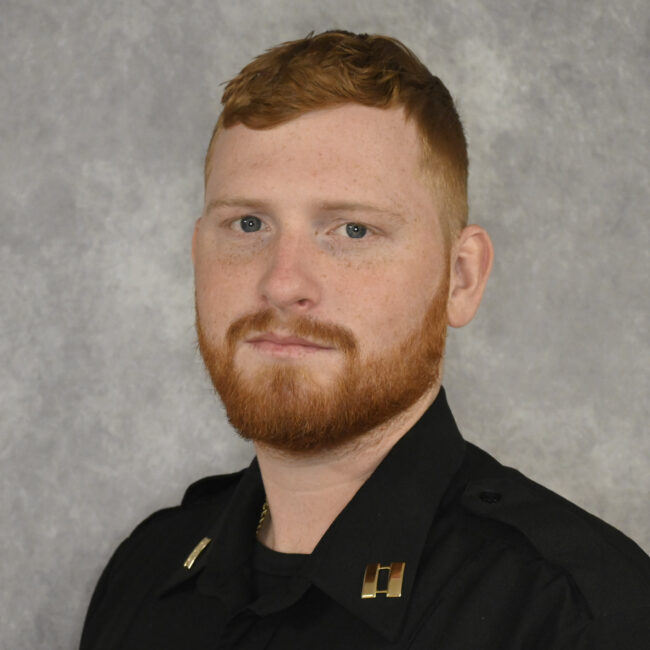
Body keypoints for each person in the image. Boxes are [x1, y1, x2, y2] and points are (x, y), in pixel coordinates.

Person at [79, 30, 650, 649]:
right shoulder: (143, 574)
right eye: (247, 223)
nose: (283, 284)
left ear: (460, 278)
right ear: (197, 254)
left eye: (353, 230)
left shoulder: (578, 619)